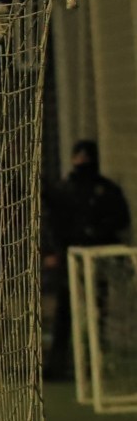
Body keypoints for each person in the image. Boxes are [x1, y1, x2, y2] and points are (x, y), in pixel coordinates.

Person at [43, 140, 132, 380]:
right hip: (70, 260)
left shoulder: (105, 189)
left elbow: (120, 218)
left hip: (97, 260)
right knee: (65, 313)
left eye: (85, 156)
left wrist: (97, 233)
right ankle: (59, 365)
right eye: (78, 155)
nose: (81, 160)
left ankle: (95, 364)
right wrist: (55, 251)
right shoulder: (65, 189)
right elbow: (53, 223)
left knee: (95, 313)